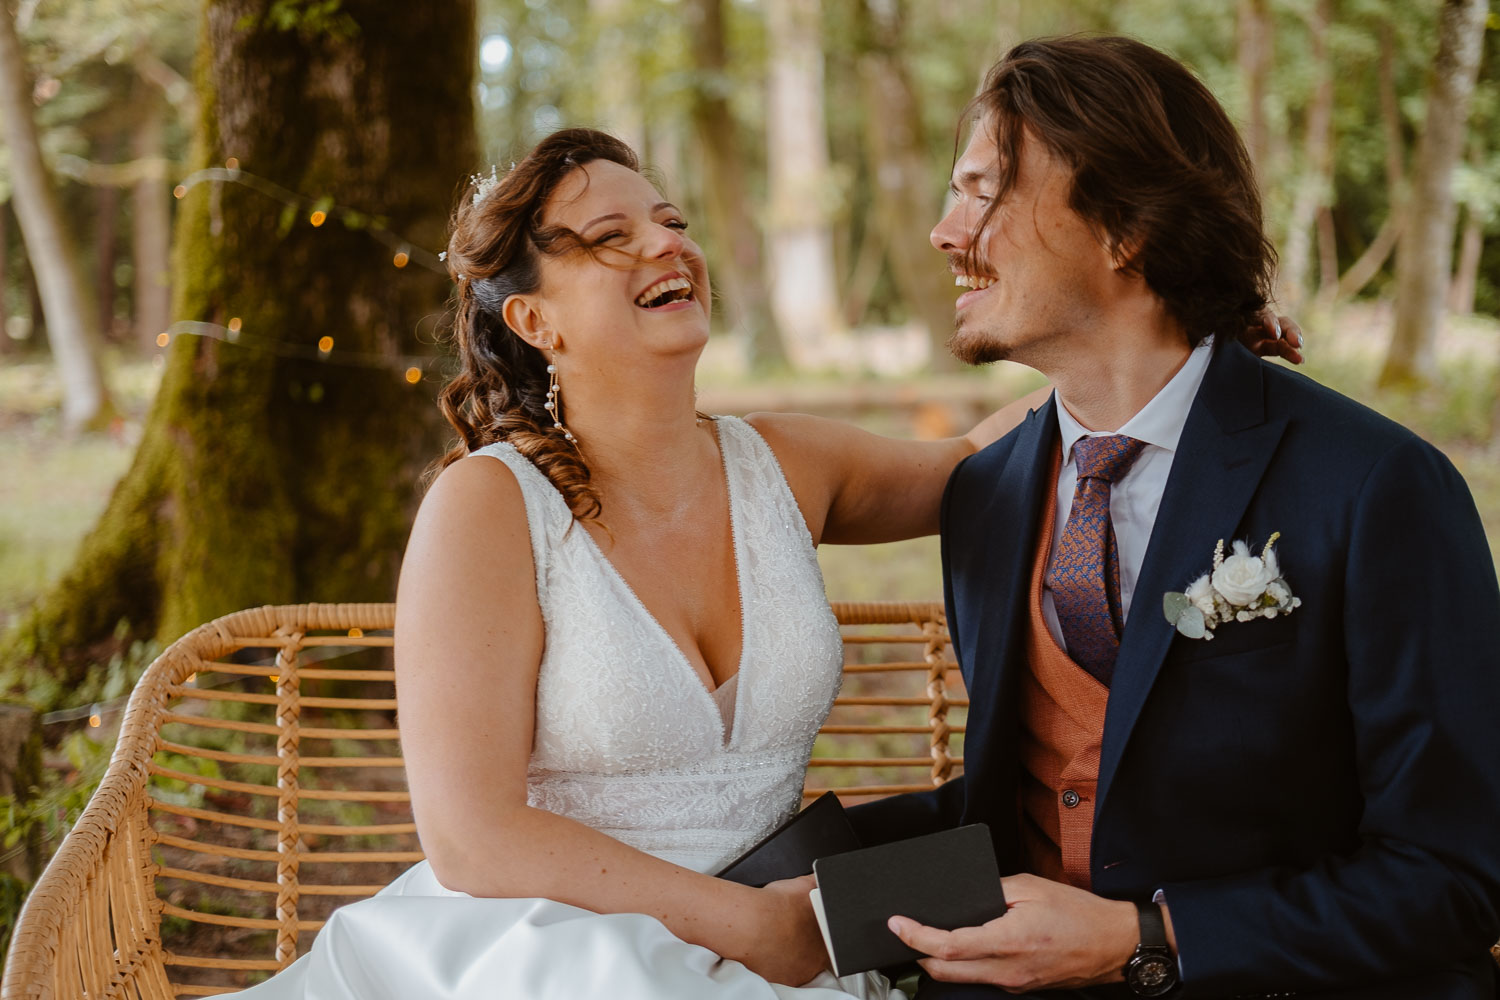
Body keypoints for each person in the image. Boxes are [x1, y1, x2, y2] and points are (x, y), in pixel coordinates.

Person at [231, 128, 1296, 1000]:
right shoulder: (488, 507)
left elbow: (977, 463)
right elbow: (472, 836)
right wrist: (747, 926)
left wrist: (1175, 354)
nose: (666, 245)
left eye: (672, 221)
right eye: (610, 235)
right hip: (548, 946)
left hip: (788, 930)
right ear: (533, 318)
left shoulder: (783, 464)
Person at [845, 35, 1500, 1000]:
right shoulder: (986, 495)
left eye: (983, 192)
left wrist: (1141, 938)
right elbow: (1047, 797)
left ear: (1128, 229)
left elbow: (1455, 876)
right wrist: (783, 878)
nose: (947, 231)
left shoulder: (1376, 485)